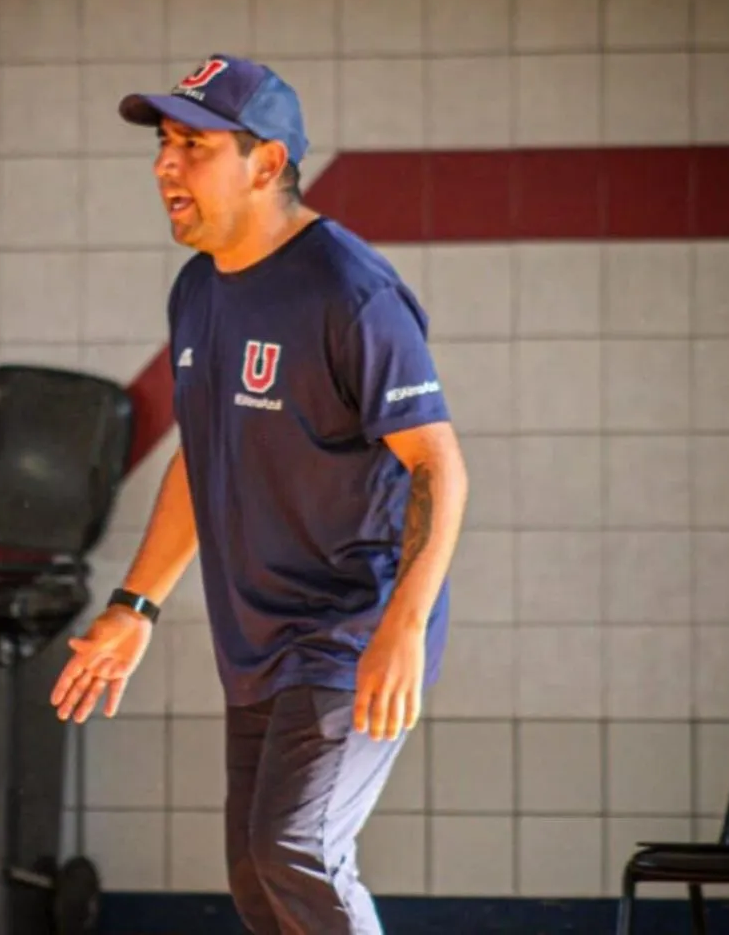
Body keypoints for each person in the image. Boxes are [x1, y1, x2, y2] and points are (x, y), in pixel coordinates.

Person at [51, 54, 469, 934]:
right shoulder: (198, 289)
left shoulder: (350, 293)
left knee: (295, 848)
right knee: (255, 872)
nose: (165, 165)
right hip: (259, 638)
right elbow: (203, 460)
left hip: (352, 628)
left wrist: (402, 624)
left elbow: (438, 465)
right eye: (163, 144)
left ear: (268, 163)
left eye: (192, 146)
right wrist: (136, 605)